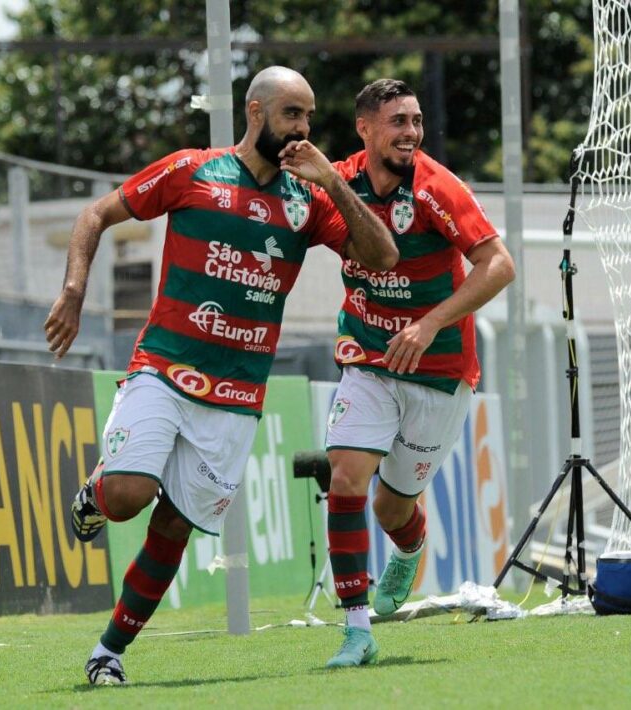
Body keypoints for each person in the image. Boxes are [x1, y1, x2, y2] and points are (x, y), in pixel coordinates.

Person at [43, 66, 397, 686]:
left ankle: (109, 652)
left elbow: (382, 255)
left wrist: (336, 190)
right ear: (255, 113)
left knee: (175, 524)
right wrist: (74, 290)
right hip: (164, 367)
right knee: (127, 498)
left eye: (309, 116)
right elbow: (96, 214)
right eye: (292, 114)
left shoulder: (306, 199)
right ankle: (95, 493)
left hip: (237, 395)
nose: (303, 129)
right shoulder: (192, 171)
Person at [321, 79, 515, 668]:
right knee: (348, 477)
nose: (411, 132)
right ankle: (357, 631)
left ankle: (409, 548)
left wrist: (428, 324)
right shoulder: (339, 179)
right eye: (398, 121)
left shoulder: (436, 186)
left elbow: (499, 265)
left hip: (440, 370)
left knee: (391, 507)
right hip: (367, 356)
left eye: (416, 121)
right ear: (365, 128)